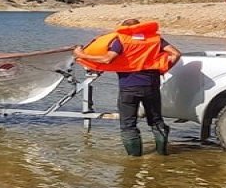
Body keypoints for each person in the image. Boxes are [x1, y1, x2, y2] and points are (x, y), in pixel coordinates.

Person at [73, 19, 181, 156]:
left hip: (129, 88)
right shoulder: (155, 40)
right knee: (156, 121)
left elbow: (107, 59)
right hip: (151, 87)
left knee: (128, 125)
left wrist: (81, 55)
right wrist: (163, 69)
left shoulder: (122, 40)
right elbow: (176, 54)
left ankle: (134, 160)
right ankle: (162, 154)